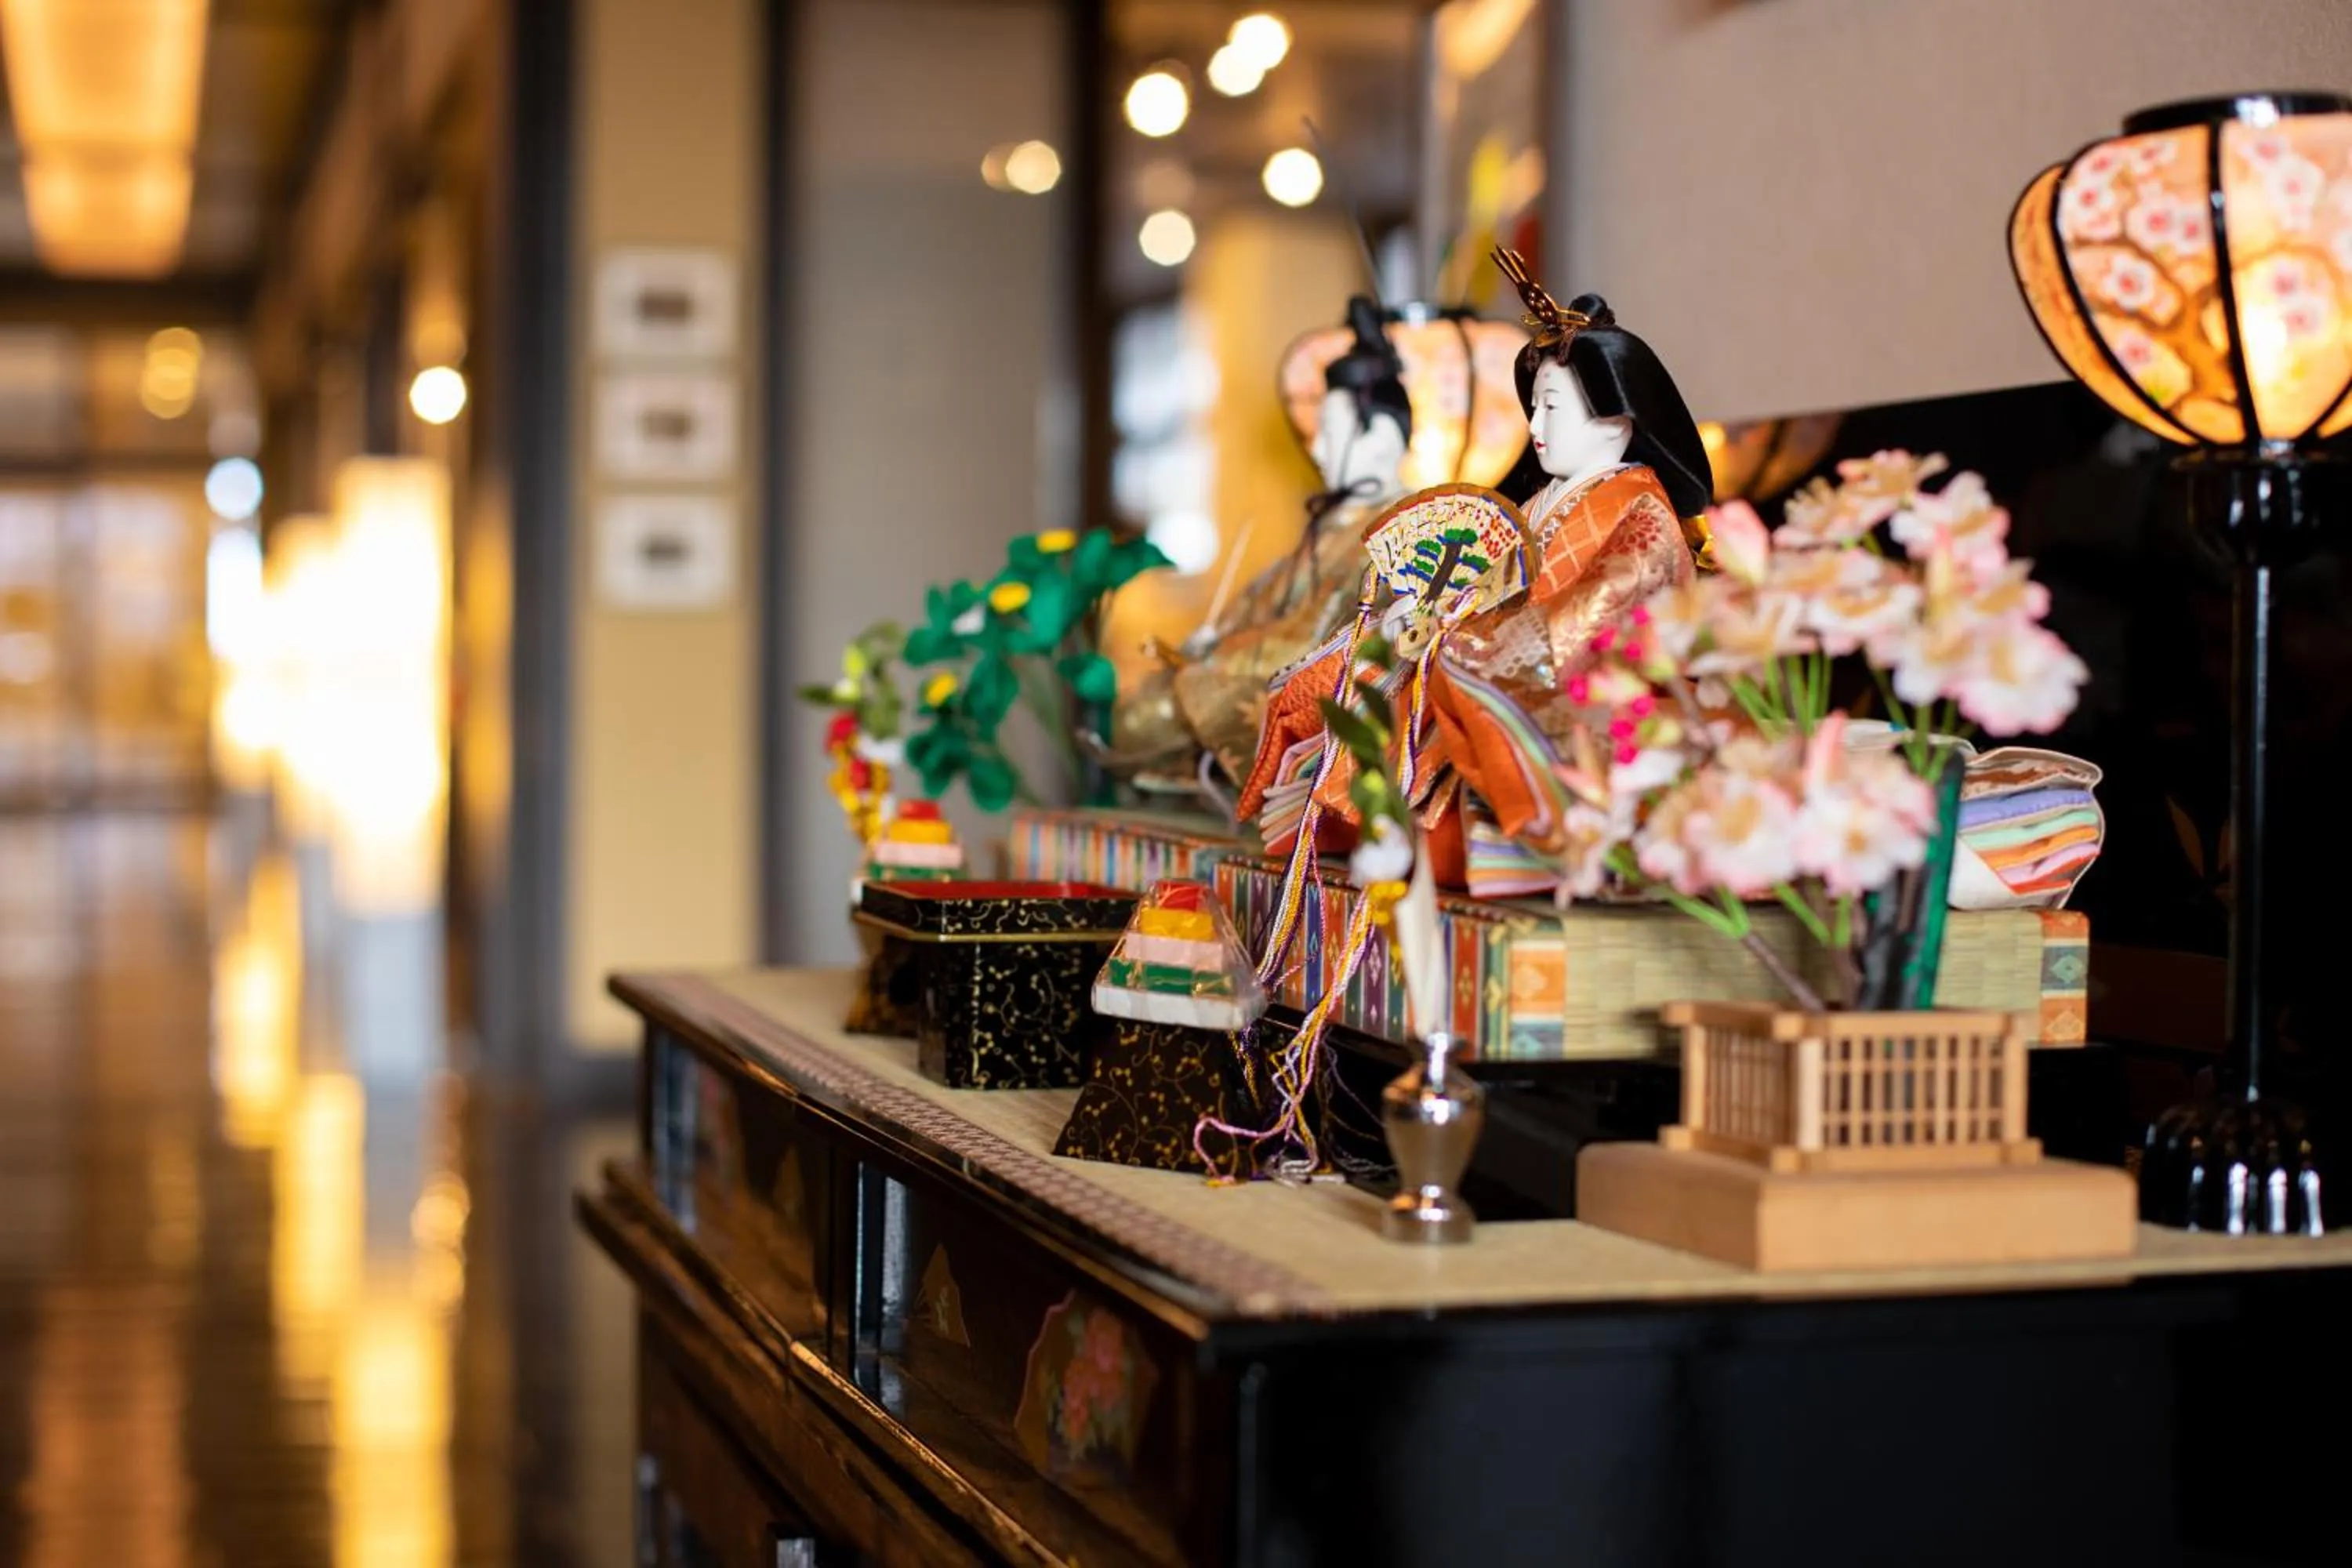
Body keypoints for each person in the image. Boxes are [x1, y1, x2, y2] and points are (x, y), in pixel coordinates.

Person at [1236, 248, 1711, 884]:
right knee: (1357, 681)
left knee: (1443, 773)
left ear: (1615, 417)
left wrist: (1467, 642)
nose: (1535, 425)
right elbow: (1486, 585)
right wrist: (1421, 617)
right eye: (1535, 405)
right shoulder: (1539, 503)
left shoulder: (1642, 515)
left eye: (1552, 406)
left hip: (1573, 705)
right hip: (1472, 674)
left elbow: (1580, 623)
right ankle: (1353, 808)